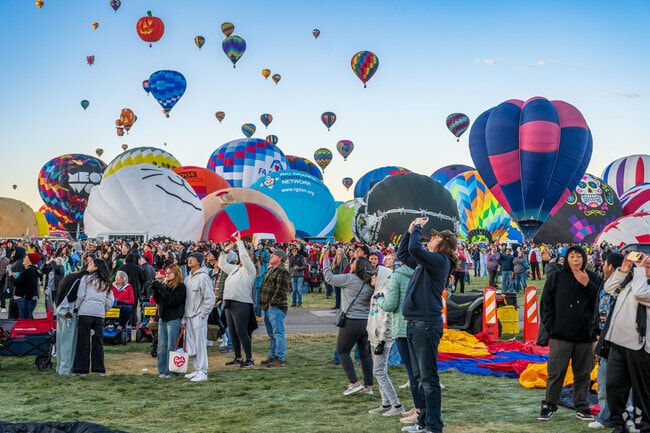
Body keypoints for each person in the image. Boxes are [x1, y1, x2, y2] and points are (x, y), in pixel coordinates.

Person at [400, 218, 457, 433]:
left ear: (444, 243)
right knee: (419, 377)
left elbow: (415, 248)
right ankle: (423, 422)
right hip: (415, 323)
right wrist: (408, 231)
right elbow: (404, 254)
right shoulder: (429, 263)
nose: (430, 238)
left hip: (425, 325)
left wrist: (417, 226)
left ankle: (434, 426)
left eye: (435, 236)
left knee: (428, 378)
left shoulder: (441, 260)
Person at [538, 245, 603, 422]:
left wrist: (586, 284)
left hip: (585, 336)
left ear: (584, 258)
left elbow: (601, 299)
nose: (575, 260)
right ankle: (549, 404)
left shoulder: (593, 278)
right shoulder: (556, 277)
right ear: (566, 259)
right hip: (560, 335)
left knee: (583, 373)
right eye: (572, 256)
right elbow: (546, 304)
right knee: (556, 372)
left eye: (578, 256)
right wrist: (551, 326)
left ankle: (581, 406)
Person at [603, 252, 650, 433]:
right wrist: (623, 271)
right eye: (645, 265)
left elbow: (640, 294)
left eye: (647, 266)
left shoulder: (640, 284)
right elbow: (609, 288)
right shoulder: (633, 281)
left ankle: (644, 427)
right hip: (618, 343)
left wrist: (638, 270)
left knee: (642, 394)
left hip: (640, 347)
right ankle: (621, 424)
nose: (645, 268)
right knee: (613, 388)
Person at [322, 253, 376, 396]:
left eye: (353, 262)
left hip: (352, 321)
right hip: (367, 322)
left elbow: (329, 278)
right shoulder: (371, 282)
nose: (350, 264)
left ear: (357, 267)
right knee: (365, 355)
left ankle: (354, 382)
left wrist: (325, 259)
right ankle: (368, 386)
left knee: (342, 351)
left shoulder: (350, 279)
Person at [588, 252, 624, 429]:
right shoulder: (604, 284)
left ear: (611, 266)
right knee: (603, 382)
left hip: (621, 342)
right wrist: (596, 332)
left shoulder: (625, 286)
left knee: (622, 384)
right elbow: (598, 309)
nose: (602, 266)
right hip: (603, 341)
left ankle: (627, 417)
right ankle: (605, 416)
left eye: (604, 264)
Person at [367, 253, 403, 417]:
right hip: (375, 336)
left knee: (379, 371)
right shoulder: (377, 292)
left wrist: (382, 339)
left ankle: (396, 405)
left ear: (380, 277)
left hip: (382, 338)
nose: (371, 279)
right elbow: (373, 317)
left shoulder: (385, 294)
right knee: (379, 370)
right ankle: (386, 403)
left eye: (374, 277)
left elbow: (386, 319)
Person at [218, 232, 257, 368]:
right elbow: (222, 264)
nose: (242, 259)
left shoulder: (250, 270)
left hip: (241, 303)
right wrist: (225, 251)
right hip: (229, 303)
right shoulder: (235, 269)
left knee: (242, 332)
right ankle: (238, 357)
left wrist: (239, 242)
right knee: (233, 332)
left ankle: (250, 359)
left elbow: (244, 257)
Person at [72, 258, 114, 376]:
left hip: (85, 312)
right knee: (98, 341)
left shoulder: (85, 279)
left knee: (83, 341)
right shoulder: (107, 281)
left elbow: (81, 295)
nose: (88, 266)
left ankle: (82, 369)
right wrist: (103, 308)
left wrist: (77, 307)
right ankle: (99, 368)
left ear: (96, 267)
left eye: (90, 264)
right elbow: (110, 300)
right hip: (99, 314)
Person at [182, 251, 216, 382]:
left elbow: (209, 298)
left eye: (193, 258)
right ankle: (197, 369)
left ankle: (203, 371)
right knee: (193, 345)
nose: (190, 260)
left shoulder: (203, 277)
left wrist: (203, 314)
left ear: (199, 261)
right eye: (189, 258)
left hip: (198, 316)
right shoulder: (188, 278)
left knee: (200, 344)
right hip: (189, 315)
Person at [151, 265, 187, 378]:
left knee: (172, 346)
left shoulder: (181, 287)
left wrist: (161, 289)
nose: (167, 275)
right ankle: (162, 370)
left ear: (176, 274)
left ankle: (173, 371)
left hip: (174, 318)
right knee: (162, 346)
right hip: (163, 318)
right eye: (166, 273)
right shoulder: (164, 286)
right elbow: (159, 301)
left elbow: (172, 301)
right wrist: (156, 290)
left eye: (170, 273)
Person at [258, 248, 290, 368]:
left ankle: (279, 358)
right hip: (267, 307)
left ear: (280, 258)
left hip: (275, 307)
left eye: (274, 255)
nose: (271, 256)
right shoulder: (271, 270)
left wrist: (272, 303)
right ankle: (272, 356)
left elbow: (281, 290)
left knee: (278, 333)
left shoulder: (282, 271)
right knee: (271, 334)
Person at [12, 252, 41, 319]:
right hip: (30, 297)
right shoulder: (33, 270)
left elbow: (17, 282)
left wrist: (14, 277)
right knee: (29, 318)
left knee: (25, 320)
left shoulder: (28, 271)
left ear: (29, 261)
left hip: (26, 298)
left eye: (26, 258)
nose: (24, 259)